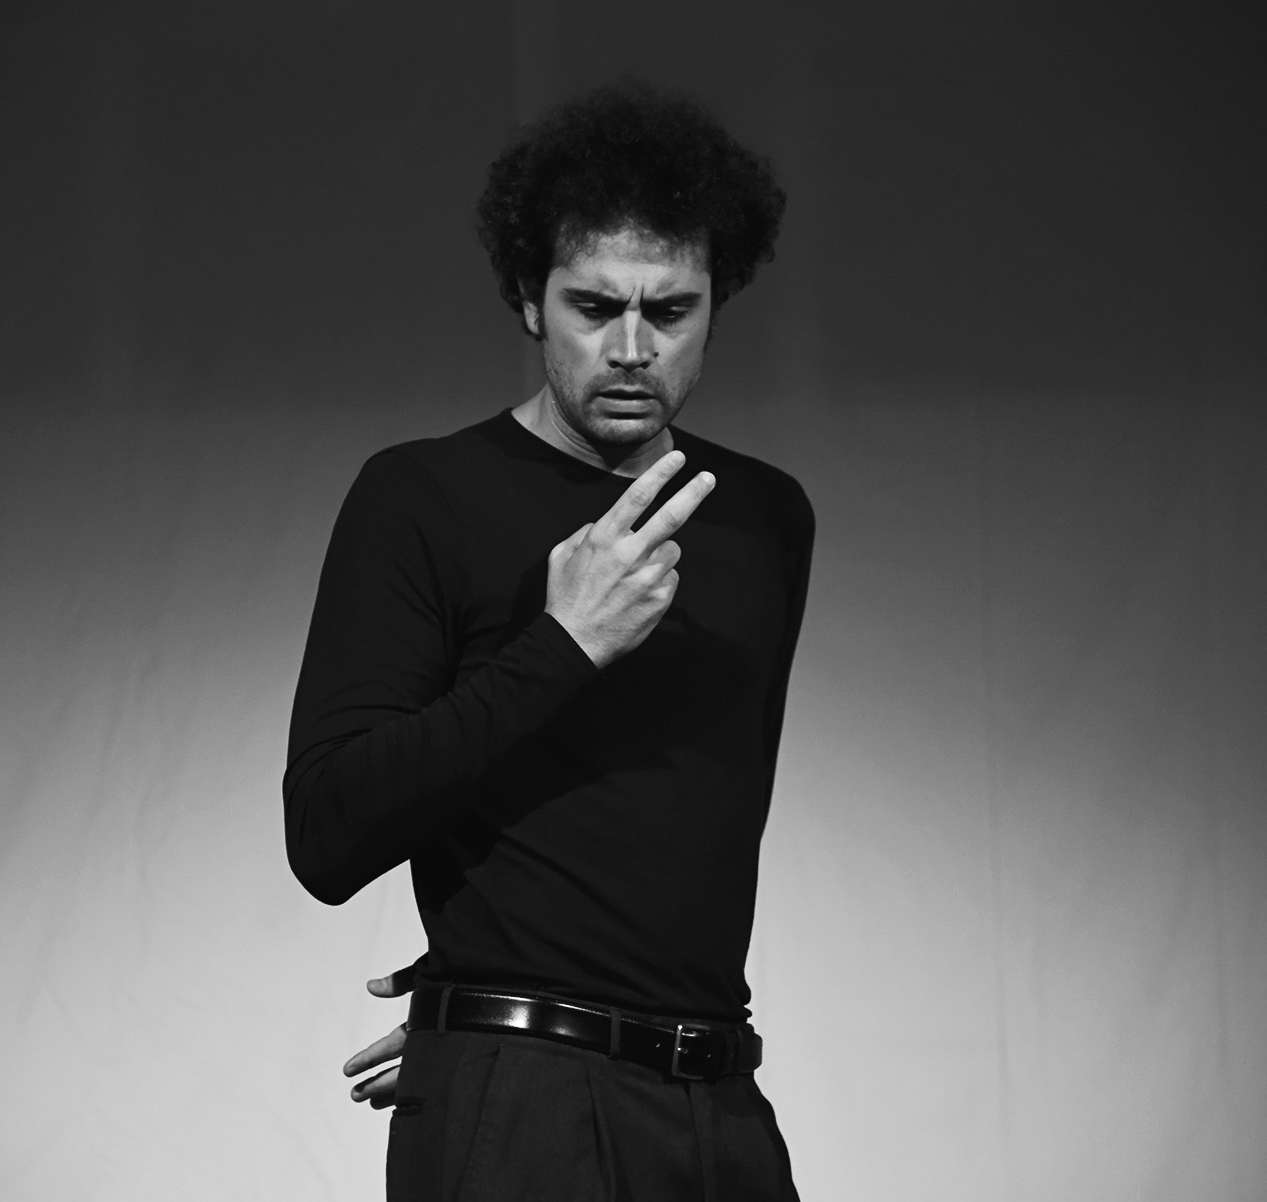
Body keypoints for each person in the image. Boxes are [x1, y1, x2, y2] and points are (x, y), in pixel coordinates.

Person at [284, 80, 812, 1200]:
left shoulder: (764, 517)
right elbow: (326, 832)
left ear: (717, 304)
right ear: (529, 300)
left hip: (717, 1095)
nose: (632, 347)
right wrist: (564, 641)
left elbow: (689, 824)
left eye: (671, 310)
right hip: (518, 1108)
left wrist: (487, 987)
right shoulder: (422, 497)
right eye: (593, 306)